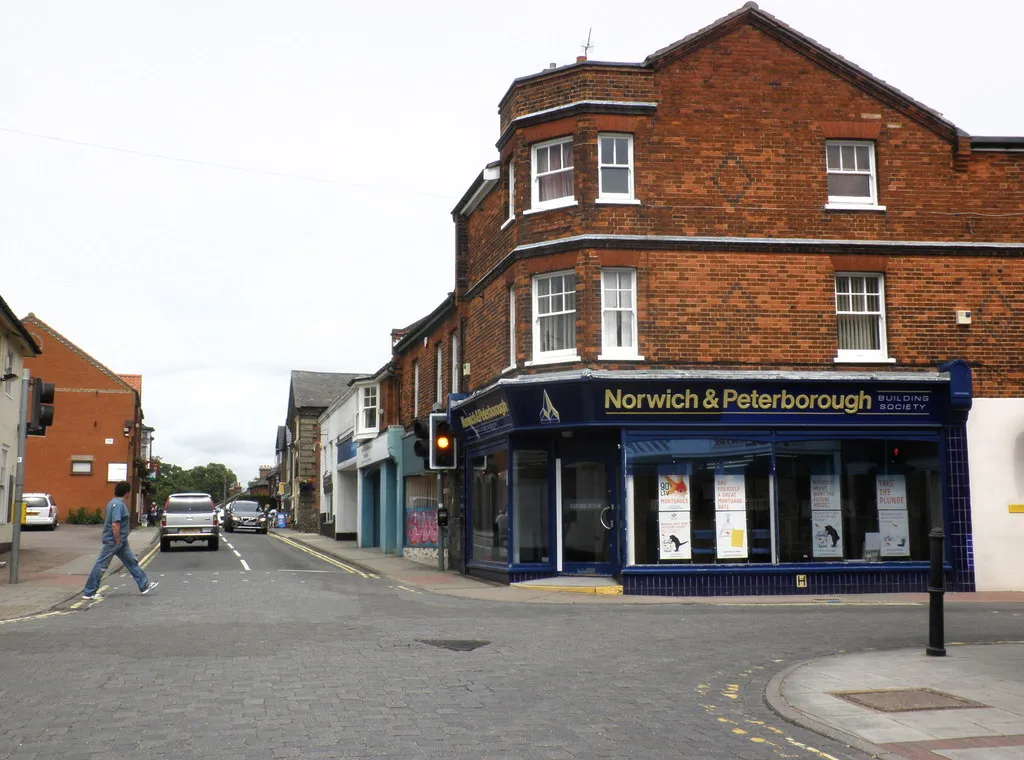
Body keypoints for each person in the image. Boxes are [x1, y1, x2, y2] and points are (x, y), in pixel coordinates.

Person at [82, 481, 158, 600]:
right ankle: (89, 592)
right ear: (127, 492)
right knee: (101, 565)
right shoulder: (118, 505)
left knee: (131, 561)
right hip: (114, 541)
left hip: (120, 542)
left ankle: (144, 585)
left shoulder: (112, 503)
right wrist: (117, 540)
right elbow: (115, 524)